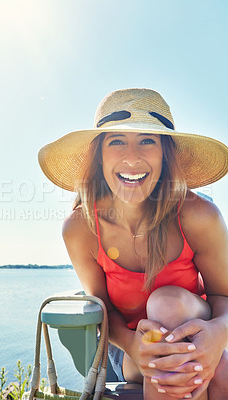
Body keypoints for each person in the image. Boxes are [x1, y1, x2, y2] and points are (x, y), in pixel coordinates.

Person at [38, 88, 228, 400]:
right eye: (116, 141)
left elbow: (223, 295)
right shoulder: (81, 228)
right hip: (130, 350)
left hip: (202, 330)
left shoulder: (199, 216)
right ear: (98, 154)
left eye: (147, 140)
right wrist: (133, 345)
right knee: (196, 365)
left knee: (169, 305)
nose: (131, 156)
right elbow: (103, 309)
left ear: (165, 152)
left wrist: (219, 333)